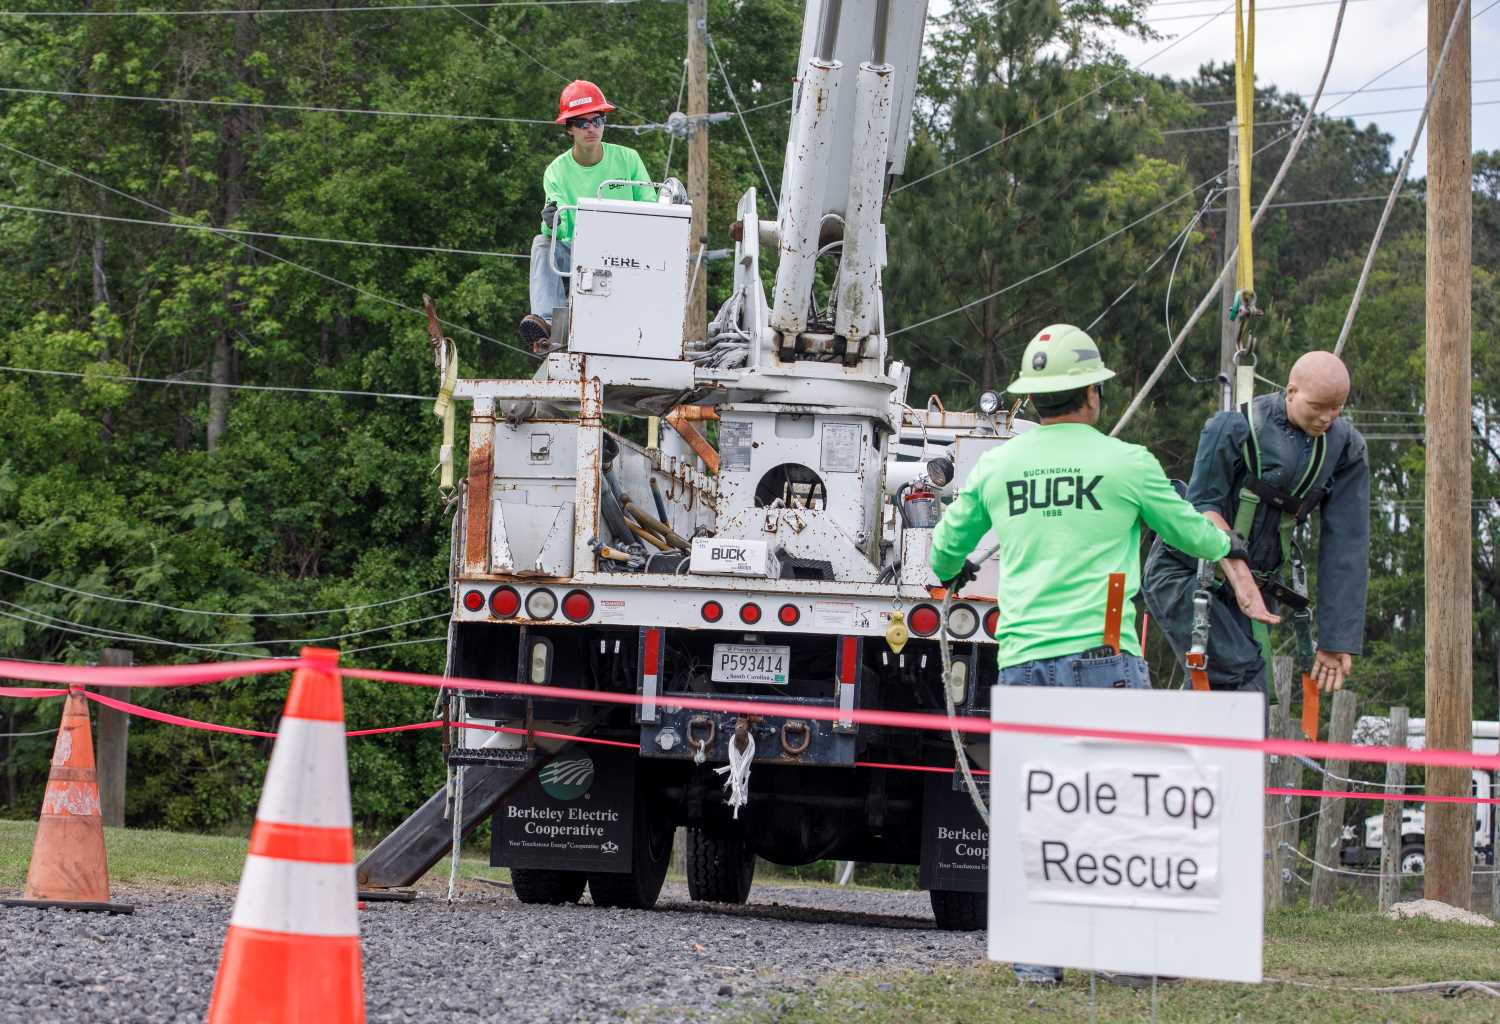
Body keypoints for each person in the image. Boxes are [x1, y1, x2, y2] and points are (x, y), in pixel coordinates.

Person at [929, 324, 1277, 988]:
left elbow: (948, 549)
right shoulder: (1128, 462)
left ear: (1034, 401)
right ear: (1090, 395)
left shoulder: (1000, 465)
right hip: (1105, 659)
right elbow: (1191, 534)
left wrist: (945, 575)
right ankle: (1127, 963)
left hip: (1026, 660)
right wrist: (1226, 538)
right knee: (1119, 813)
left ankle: (1037, 968)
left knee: (1039, 812)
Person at [1143, 350, 1370, 695]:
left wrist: (1336, 639)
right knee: (1242, 680)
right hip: (1187, 573)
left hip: (1252, 590)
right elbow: (1203, 507)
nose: (1327, 417)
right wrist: (1242, 580)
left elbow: (1347, 544)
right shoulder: (1232, 427)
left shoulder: (1345, 448)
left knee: (1236, 690)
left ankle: (1192, 745)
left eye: (1337, 407)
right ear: (1291, 391)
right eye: (1318, 406)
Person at [519, 80, 657, 353]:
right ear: (569, 128)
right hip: (578, 255)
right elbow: (557, 224)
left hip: (631, 254)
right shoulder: (556, 171)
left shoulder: (629, 159)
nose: (592, 128)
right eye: (583, 123)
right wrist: (550, 222)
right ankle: (547, 326)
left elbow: (652, 209)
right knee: (541, 242)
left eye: (598, 120)